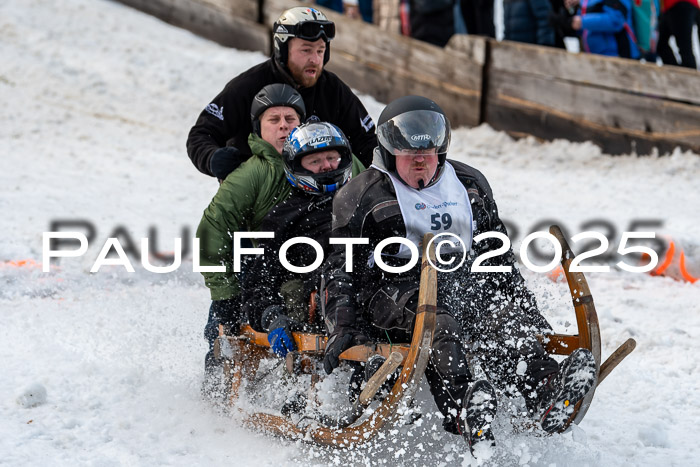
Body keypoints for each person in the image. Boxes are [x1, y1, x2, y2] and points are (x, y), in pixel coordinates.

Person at [321, 95, 597, 453]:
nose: (421, 162)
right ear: (390, 154)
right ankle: (465, 406)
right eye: (410, 156)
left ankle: (544, 391)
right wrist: (342, 326)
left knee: (502, 316)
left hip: (462, 279)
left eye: (428, 154)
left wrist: (524, 310)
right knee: (441, 323)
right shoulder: (362, 195)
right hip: (393, 291)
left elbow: (496, 258)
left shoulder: (469, 184)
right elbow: (338, 267)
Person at [187, 6, 377, 180]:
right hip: (256, 191)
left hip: (316, 194)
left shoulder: (333, 90)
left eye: (320, 51)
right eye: (306, 50)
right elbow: (202, 134)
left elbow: (366, 142)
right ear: (283, 50)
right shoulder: (248, 86)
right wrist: (213, 158)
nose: (315, 59)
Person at [241, 122, 363, 359]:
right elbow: (259, 280)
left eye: (331, 157)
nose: (326, 166)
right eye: (315, 161)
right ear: (297, 167)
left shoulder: (365, 199)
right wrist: (273, 316)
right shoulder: (283, 217)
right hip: (319, 301)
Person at [557, 0, 641, 58]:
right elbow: (585, 29)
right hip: (594, 56)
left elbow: (616, 20)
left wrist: (581, 22)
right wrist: (568, 21)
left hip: (617, 54)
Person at [656, 0, 699, 68]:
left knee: (685, 49)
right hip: (669, 7)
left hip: (681, 5)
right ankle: (676, 71)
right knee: (661, 45)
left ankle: (687, 73)